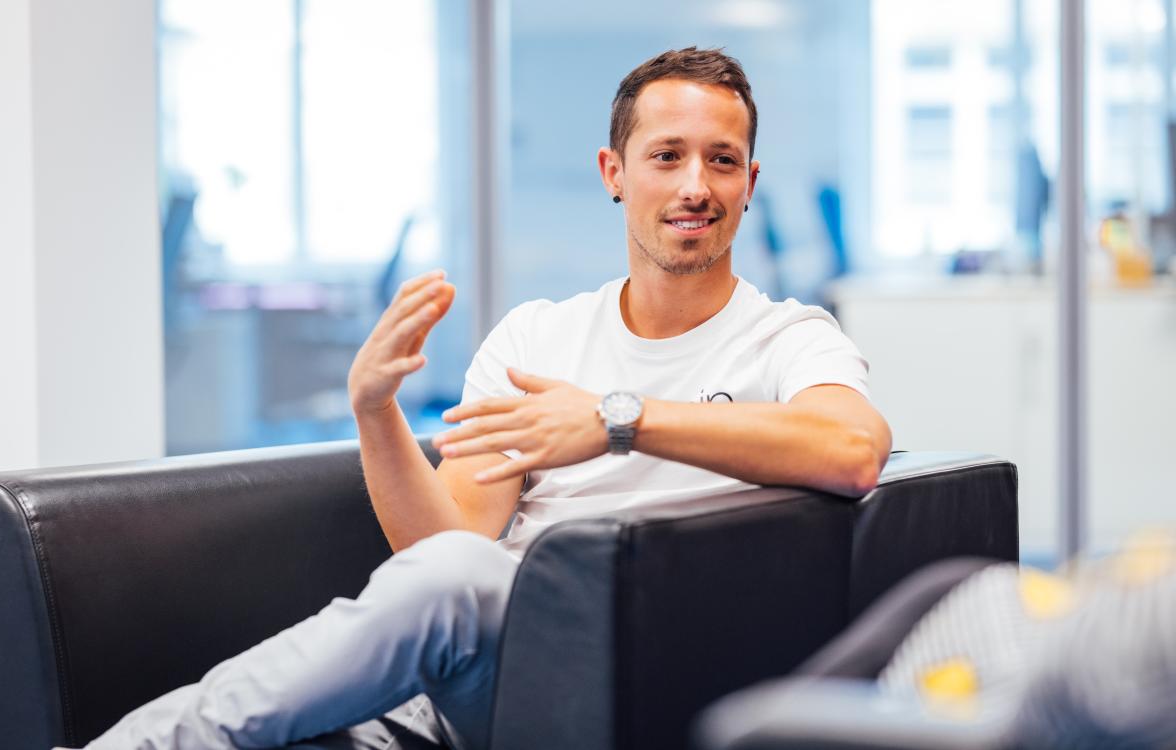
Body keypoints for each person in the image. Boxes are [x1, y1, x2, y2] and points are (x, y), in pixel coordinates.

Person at [71, 47, 891, 750]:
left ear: (749, 183)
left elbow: (853, 449)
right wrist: (374, 412)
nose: (695, 185)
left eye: (721, 160)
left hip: (647, 667)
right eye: (667, 155)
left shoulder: (788, 335)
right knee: (439, 593)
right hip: (492, 677)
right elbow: (447, 545)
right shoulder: (536, 336)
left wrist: (618, 420)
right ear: (615, 173)